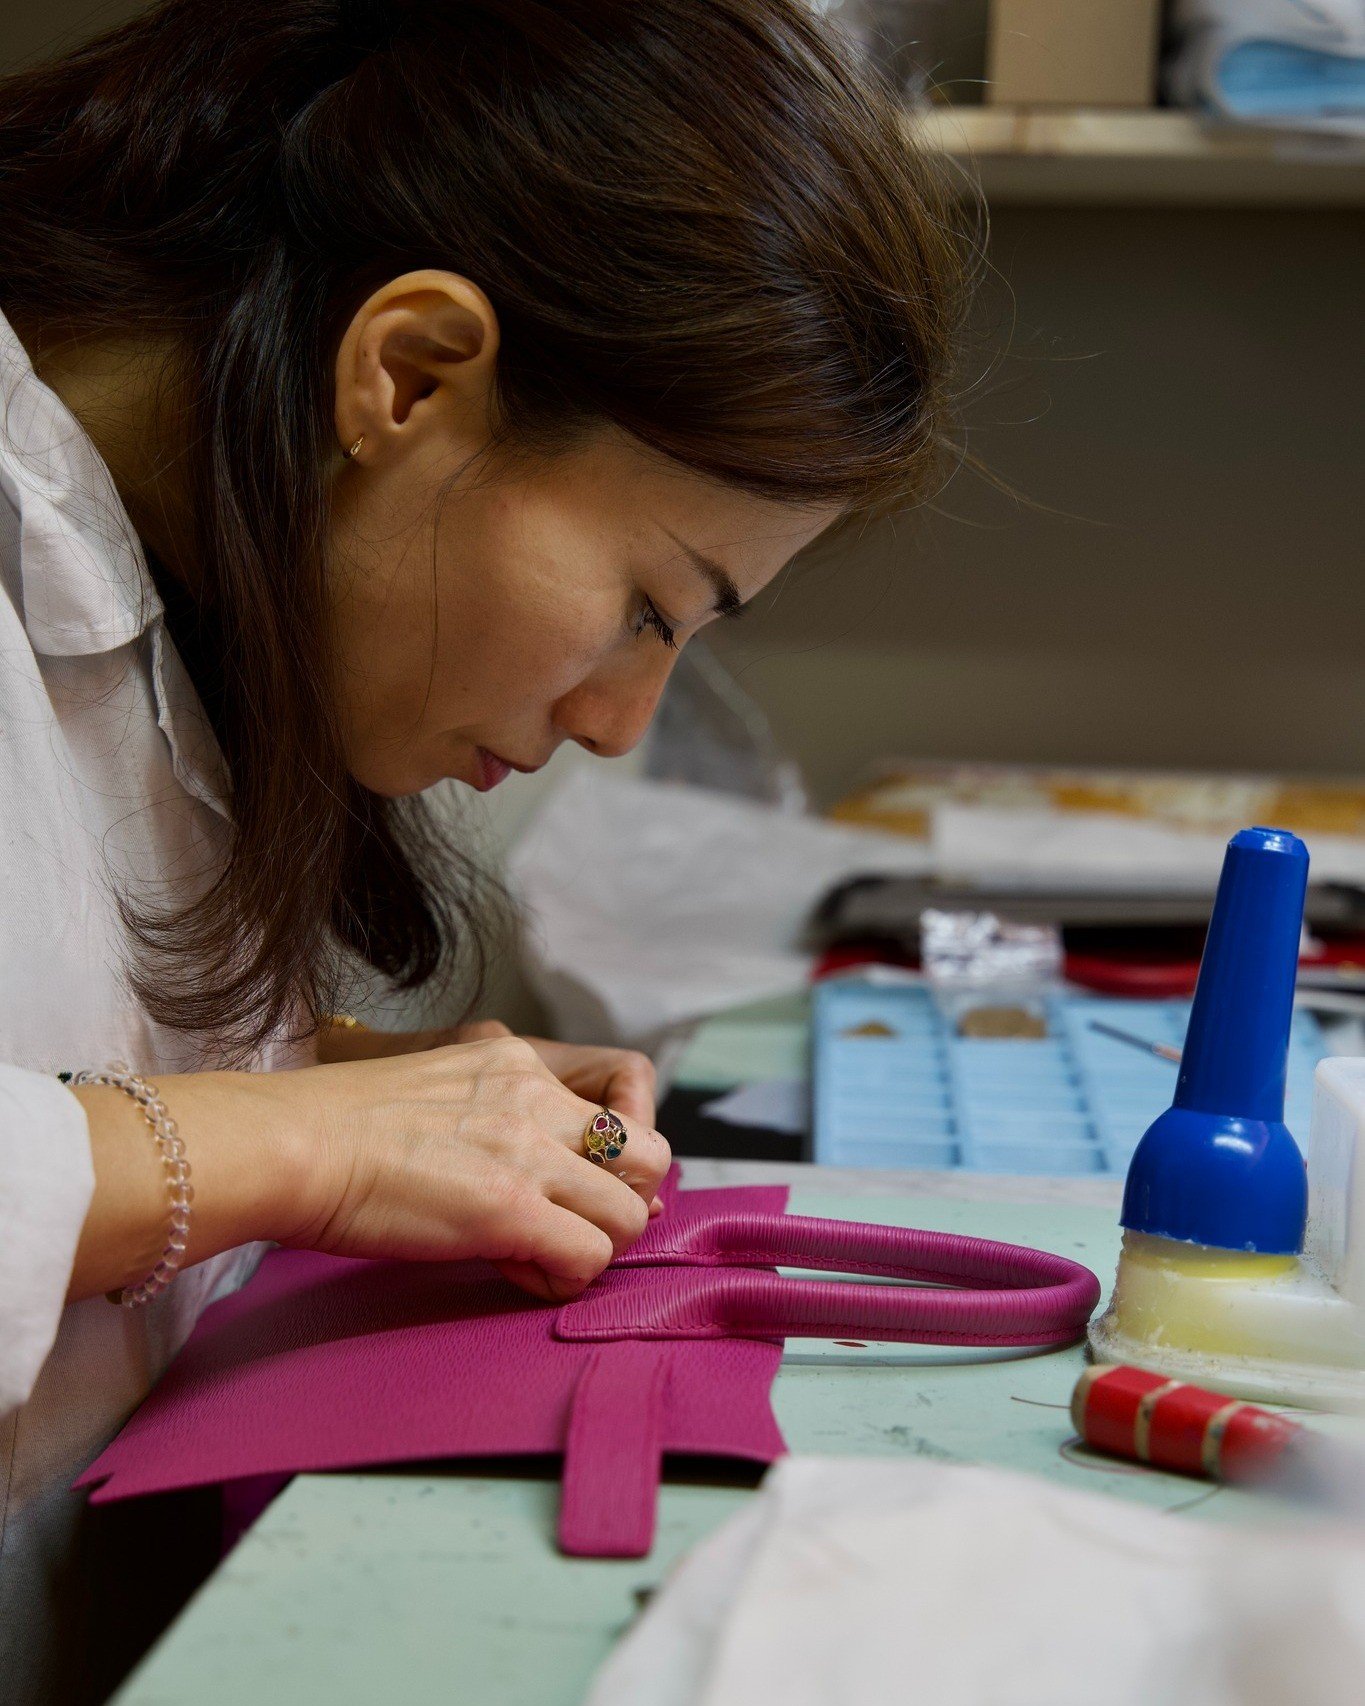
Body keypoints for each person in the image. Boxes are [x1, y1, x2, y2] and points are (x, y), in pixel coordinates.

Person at [0, 0, 965, 1695]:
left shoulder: (172, 592)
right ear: (412, 374)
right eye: (646, 607)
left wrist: (393, 1089)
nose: (615, 720)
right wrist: (296, 1143)